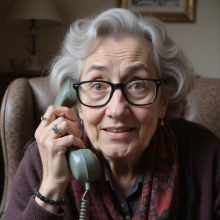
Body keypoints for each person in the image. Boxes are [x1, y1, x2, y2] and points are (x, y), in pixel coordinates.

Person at [3, 8, 220, 220]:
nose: (117, 110)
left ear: (163, 101)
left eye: (137, 85)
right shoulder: (42, 161)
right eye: (97, 86)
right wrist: (50, 190)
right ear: (77, 101)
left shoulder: (207, 156)